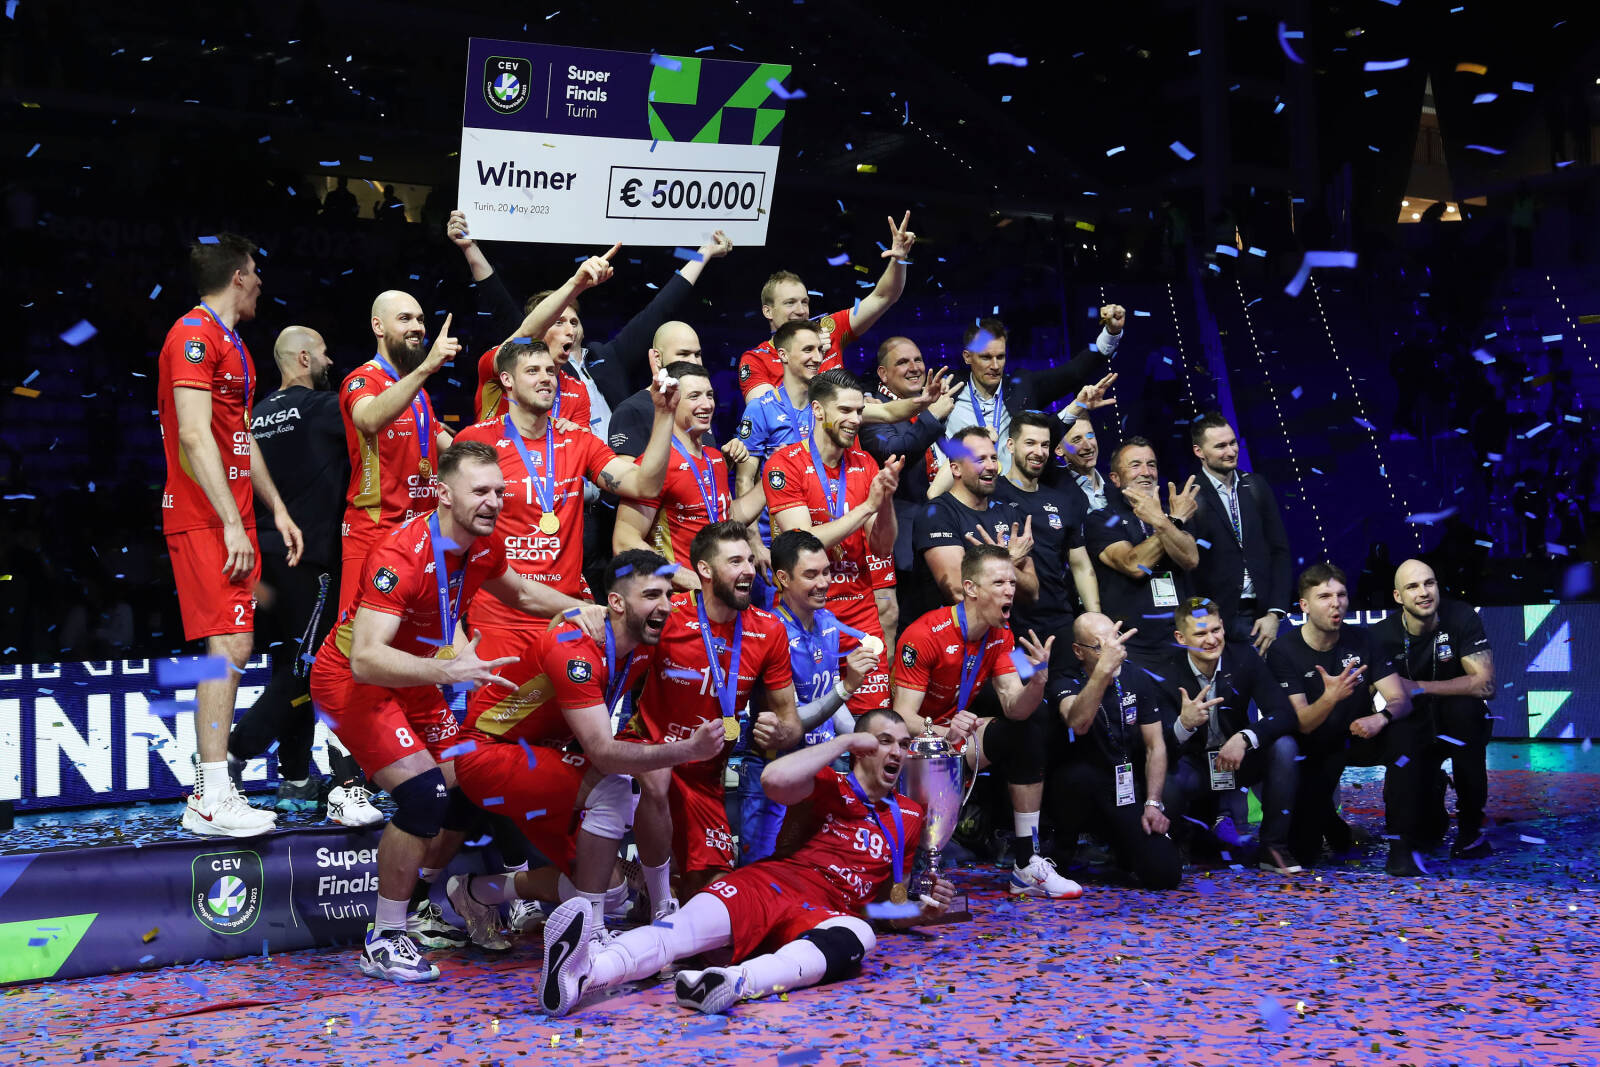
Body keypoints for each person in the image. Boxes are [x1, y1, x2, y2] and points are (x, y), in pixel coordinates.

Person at [307, 441, 606, 981]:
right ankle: (385, 938)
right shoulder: (400, 554)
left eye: (499, 491)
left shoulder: (482, 544)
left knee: (470, 774)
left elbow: (522, 594)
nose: (494, 501)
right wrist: (448, 671)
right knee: (423, 793)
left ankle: (424, 903)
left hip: (419, 674)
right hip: (353, 681)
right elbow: (366, 658)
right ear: (444, 493)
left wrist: (586, 608)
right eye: (480, 491)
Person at [538, 709, 956, 1018]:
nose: (896, 751)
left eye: (903, 744)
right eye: (884, 740)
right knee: (677, 931)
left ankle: (731, 983)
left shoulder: (909, 816)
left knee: (860, 936)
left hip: (827, 912)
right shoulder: (830, 783)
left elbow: (886, 899)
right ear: (863, 748)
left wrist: (919, 909)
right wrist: (843, 743)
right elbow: (774, 780)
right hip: (770, 884)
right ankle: (583, 974)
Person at [446, 549, 728, 941]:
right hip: (489, 753)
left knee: (610, 890)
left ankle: (475, 892)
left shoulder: (643, 643)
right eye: (651, 595)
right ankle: (592, 934)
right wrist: (688, 750)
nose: (665, 605)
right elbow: (604, 754)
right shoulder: (573, 647)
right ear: (616, 602)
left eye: (667, 595)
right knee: (613, 787)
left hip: (547, 759)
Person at [158, 233, 302, 838]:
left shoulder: (235, 344)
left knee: (234, 647)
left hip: (232, 515)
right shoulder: (191, 335)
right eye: (256, 271)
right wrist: (230, 522)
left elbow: (240, 438)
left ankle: (215, 789)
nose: (261, 281)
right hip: (204, 516)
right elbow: (194, 435)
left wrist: (277, 510)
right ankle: (210, 794)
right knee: (229, 647)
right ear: (238, 275)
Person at [226, 325, 376, 825]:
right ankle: (231, 755)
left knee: (288, 664)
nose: (331, 361)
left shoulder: (255, 415)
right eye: (326, 352)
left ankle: (293, 779)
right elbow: (377, 421)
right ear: (306, 358)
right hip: (308, 557)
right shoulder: (326, 407)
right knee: (308, 669)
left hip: (262, 558)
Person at [626, 521, 803, 904]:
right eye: (735, 561)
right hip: (653, 757)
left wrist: (780, 732)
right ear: (704, 570)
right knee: (656, 781)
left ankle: (655, 888)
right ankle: (650, 889)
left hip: (705, 780)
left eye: (750, 560)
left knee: (716, 898)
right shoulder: (667, 616)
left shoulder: (769, 630)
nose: (749, 570)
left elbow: (791, 722)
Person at [892, 544, 1073, 899]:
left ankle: (1026, 863)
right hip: (910, 749)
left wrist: (1038, 682)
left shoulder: (1001, 635)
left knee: (1025, 731)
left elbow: (1015, 708)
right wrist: (944, 731)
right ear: (971, 588)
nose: (1010, 590)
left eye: (1012, 582)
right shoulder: (925, 634)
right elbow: (902, 718)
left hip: (953, 737)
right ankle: (918, 867)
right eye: (999, 583)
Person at [449, 212, 732, 437]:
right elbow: (504, 309)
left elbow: (660, 307)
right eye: (558, 321)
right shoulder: (527, 367)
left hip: (613, 470)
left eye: (574, 321)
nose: (570, 328)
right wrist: (469, 248)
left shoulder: (608, 357)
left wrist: (703, 253)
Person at [1266, 564, 1424, 877]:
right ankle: (1332, 826)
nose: (1336, 603)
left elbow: (1401, 699)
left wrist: (1381, 718)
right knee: (1305, 852)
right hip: (1314, 744)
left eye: (1341, 595)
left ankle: (1402, 847)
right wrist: (1331, 696)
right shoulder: (1284, 651)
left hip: (1360, 734)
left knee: (1404, 734)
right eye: (1325, 596)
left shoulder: (1364, 640)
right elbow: (1302, 723)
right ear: (1304, 605)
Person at [763, 370, 904, 712]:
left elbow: (882, 546)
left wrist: (885, 502)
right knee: (812, 724)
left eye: (859, 411)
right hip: (805, 618)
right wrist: (867, 506)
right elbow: (802, 542)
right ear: (818, 410)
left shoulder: (865, 463)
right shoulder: (784, 465)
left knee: (875, 724)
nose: (855, 420)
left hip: (860, 616)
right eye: (845, 410)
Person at [737, 530, 880, 863]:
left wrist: (867, 743)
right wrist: (847, 688)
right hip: (775, 771)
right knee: (761, 871)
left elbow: (831, 703)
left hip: (822, 771)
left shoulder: (828, 622)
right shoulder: (769, 632)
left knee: (816, 870)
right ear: (783, 578)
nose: (824, 583)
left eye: (827, 572)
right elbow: (790, 722)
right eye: (811, 574)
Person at [1152, 598, 1302, 872]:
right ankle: (1176, 844)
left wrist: (1245, 737)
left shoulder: (1244, 657)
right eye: (1200, 633)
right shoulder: (1164, 672)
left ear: (1223, 626)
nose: (1211, 640)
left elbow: (1284, 714)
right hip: (1193, 765)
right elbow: (1156, 747)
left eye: (1216, 630)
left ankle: (1273, 847)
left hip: (1238, 759)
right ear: (1181, 638)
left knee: (1285, 747)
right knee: (1166, 776)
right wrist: (1183, 725)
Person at [336, 292, 460, 616]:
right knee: (358, 639)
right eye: (405, 318)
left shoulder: (416, 392)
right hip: (374, 534)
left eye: (420, 319)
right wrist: (427, 368)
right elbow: (368, 418)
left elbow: (452, 449)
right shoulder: (362, 380)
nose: (417, 326)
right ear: (378, 326)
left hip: (421, 536)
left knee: (419, 637)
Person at [1044, 612, 1182, 889]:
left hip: (1122, 787)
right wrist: (1102, 673)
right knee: (1078, 777)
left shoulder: (1137, 677)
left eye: (1115, 640)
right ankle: (1063, 846)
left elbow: (1155, 746)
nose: (1112, 650)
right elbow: (1078, 723)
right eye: (1100, 646)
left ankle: (1120, 850)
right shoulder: (1066, 679)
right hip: (1074, 791)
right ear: (1078, 651)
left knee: (1165, 874)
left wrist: (1153, 803)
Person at [1369, 559, 1496, 858]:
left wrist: (1418, 687)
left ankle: (1471, 828)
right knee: (1423, 836)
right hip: (1412, 725)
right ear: (1398, 596)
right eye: (1412, 587)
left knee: (1466, 712)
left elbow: (1487, 686)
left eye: (1429, 583)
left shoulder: (1461, 616)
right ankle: (1430, 790)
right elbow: (1365, 694)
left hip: (1459, 720)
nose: (1424, 592)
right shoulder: (1381, 635)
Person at [612, 363, 766, 582]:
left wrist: (773, 475)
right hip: (680, 596)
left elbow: (725, 517)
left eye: (709, 395)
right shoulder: (654, 466)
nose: (707, 404)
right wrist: (690, 579)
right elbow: (624, 542)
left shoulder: (715, 458)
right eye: (694, 396)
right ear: (672, 401)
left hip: (718, 589)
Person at [737, 213, 916, 400]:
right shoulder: (755, 359)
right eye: (790, 303)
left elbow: (883, 297)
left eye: (804, 302)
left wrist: (899, 259)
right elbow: (765, 410)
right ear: (768, 311)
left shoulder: (830, 328)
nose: (801, 311)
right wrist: (807, 356)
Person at [940, 307, 1125, 475]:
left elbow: (1073, 372)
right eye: (986, 357)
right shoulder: (947, 390)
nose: (995, 366)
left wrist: (1111, 333)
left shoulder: (1023, 387)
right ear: (967, 357)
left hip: (1015, 493)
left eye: (1001, 357)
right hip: (961, 493)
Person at [993, 410, 1102, 674]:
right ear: (1011, 445)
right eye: (1030, 443)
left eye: (1044, 445)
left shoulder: (1062, 500)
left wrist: (1096, 619)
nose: (1039, 452)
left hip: (1059, 622)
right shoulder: (991, 493)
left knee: (1069, 690)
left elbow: (1080, 565)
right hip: (1009, 627)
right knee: (1024, 689)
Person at [1084, 437, 1200, 665]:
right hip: (1135, 645)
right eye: (1135, 465)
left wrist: (1164, 521)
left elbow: (1190, 559)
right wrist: (1173, 522)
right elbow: (1133, 565)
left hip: (1181, 638)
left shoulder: (1171, 514)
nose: (1146, 472)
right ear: (1115, 479)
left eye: (1151, 464)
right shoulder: (1102, 519)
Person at [1185, 413, 1293, 655]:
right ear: (1199, 451)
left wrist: (1275, 612)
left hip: (1265, 616)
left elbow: (1279, 551)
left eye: (1233, 443)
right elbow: (1188, 568)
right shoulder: (1190, 494)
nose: (1231, 451)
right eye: (1220, 446)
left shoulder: (1256, 486)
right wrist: (1203, 621)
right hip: (1218, 621)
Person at [908, 426, 1037, 621]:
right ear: (956, 469)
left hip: (1002, 631)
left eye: (993, 458)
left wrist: (998, 567)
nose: (992, 466)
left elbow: (1032, 593)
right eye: (980, 459)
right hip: (948, 633)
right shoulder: (937, 514)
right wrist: (1009, 562)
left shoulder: (1008, 513)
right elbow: (959, 593)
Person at [607, 321, 709, 457]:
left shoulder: (701, 406)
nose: (694, 362)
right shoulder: (632, 410)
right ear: (657, 358)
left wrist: (725, 461)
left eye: (697, 355)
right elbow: (626, 469)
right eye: (684, 354)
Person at [1052, 413, 1113, 513]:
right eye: (1077, 440)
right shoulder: (1054, 488)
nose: (1088, 446)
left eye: (1090, 435)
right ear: (1059, 449)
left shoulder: (1115, 487)